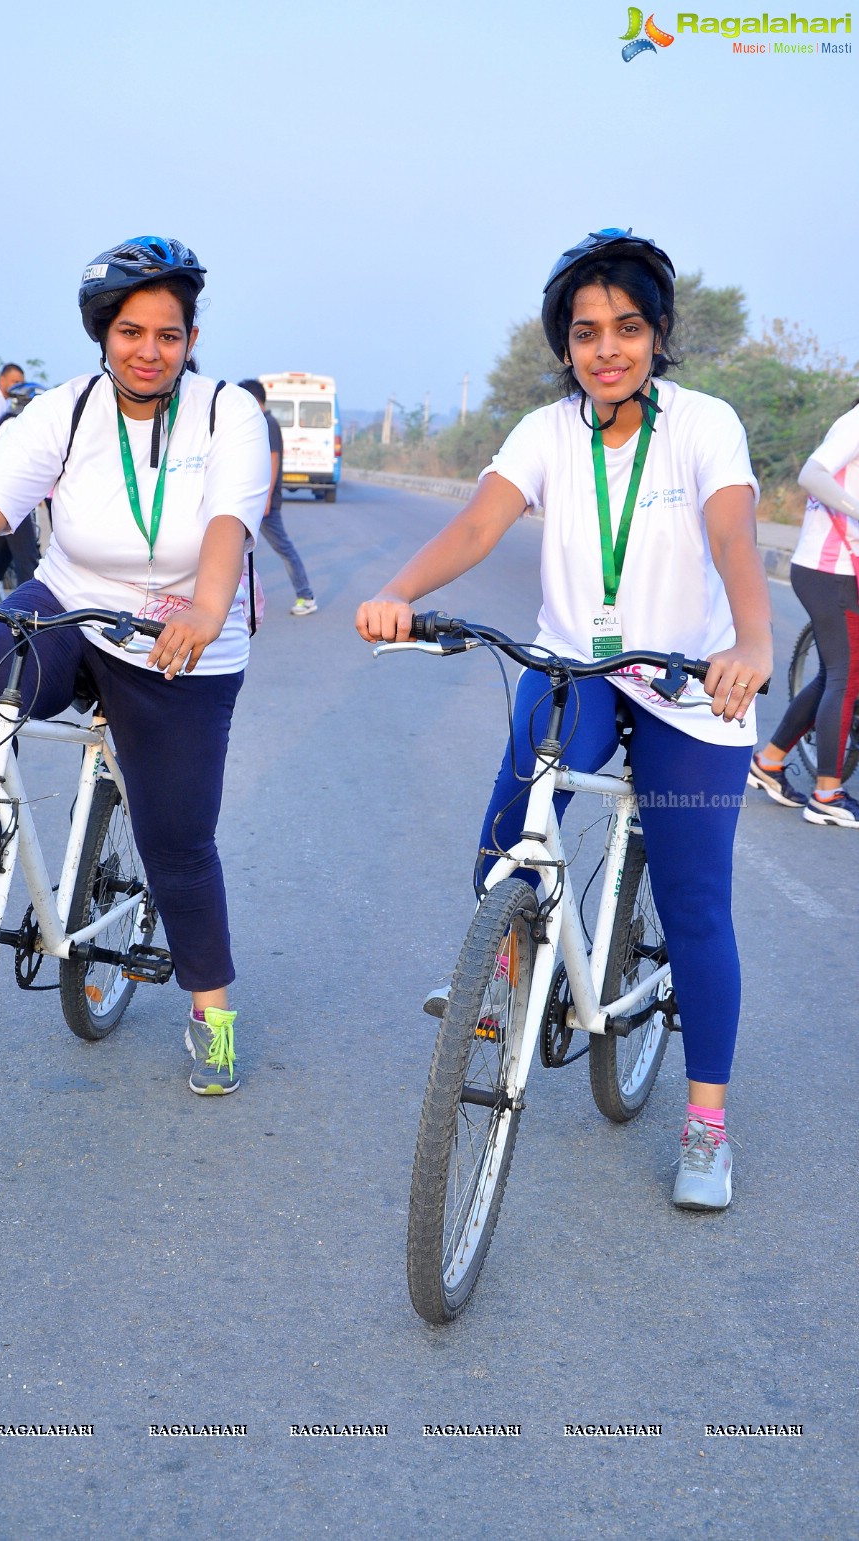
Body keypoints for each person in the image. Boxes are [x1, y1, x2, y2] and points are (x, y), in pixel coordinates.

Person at [356, 228, 773, 1212]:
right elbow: (475, 525)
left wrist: (750, 644)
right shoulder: (545, 433)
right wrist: (399, 588)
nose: (607, 349)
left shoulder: (704, 424)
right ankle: (505, 983)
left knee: (697, 901)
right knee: (504, 852)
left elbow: (734, 536)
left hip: (686, 685)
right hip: (578, 669)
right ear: (565, 348)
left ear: (659, 331)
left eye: (627, 328)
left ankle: (706, 1124)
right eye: (586, 334)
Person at [0, 236, 270, 1097]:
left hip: (184, 643)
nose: (149, 350)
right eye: (131, 331)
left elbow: (227, 525)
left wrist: (208, 610)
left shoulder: (229, 415)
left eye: (169, 334)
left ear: (190, 340)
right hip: (71, 602)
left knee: (176, 844)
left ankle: (212, 1012)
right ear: (102, 333)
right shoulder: (67, 411)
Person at [748, 401, 859, 826]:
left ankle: (770, 760)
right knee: (845, 677)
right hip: (831, 571)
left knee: (835, 672)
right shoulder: (854, 422)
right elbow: (811, 474)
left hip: (836, 570)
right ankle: (828, 795)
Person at [238, 378, 317, 616]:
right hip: (254, 500)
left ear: (253, 399)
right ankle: (238, 602)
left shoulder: (267, 422)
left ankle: (306, 596)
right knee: (237, 552)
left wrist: (268, 498)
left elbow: (273, 459)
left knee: (284, 548)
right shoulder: (259, 422)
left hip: (264, 503)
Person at [0, 381, 45, 597]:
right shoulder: (14, 424)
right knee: (28, 558)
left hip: (7, 498)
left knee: (1, 555)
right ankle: (33, 608)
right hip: (10, 499)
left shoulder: (12, 422)